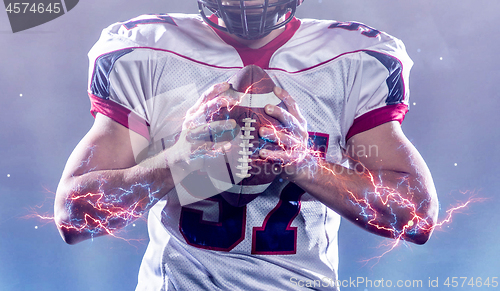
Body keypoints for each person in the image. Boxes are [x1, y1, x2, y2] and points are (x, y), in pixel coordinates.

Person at [54, 0, 439, 290]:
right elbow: (74, 218)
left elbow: (416, 217)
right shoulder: (146, 51)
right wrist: (180, 159)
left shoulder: (353, 59)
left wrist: (304, 164)